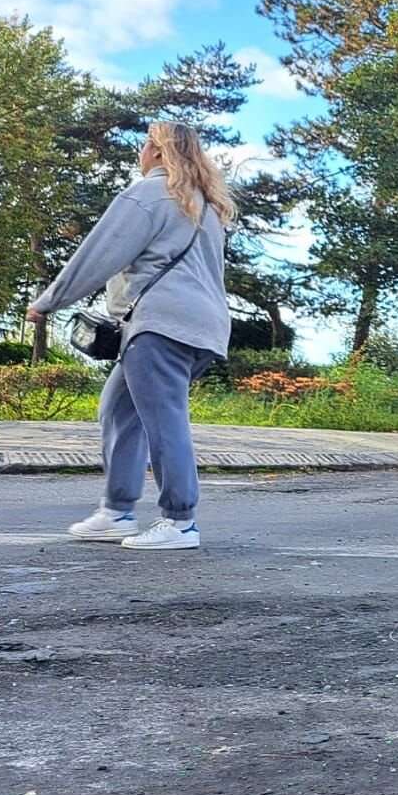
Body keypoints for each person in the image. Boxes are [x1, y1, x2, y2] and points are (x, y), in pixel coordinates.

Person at [27, 122, 234, 551]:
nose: (140, 153)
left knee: (164, 419)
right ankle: (117, 512)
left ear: (159, 153)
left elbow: (99, 252)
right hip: (203, 328)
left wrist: (49, 301)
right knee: (120, 410)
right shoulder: (205, 205)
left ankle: (180, 521)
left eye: (145, 145)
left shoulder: (148, 195)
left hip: (160, 326)